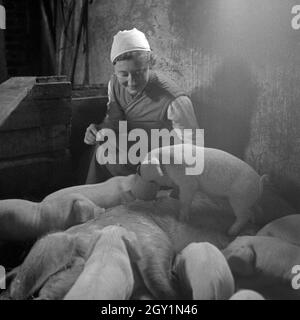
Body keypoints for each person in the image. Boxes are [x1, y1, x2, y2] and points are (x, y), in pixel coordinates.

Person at [84, 28, 199, 184]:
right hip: (133, 153)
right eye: (124, 74)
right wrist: (97, 129)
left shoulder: (174, 100)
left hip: (161, 165)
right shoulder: (115, 85)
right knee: (101, 147)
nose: (131, 82)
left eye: (139, 72)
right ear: (115, 70)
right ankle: (92, 199)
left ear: (149, 65)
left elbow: (192, 149)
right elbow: (113, 122)